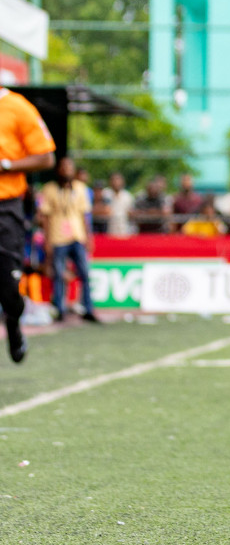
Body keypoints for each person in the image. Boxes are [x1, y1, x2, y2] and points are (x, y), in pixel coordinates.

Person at [0, 87, 56, 360]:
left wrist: (6, 165)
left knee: (8, 287)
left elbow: (46, 157)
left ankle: (13, 318)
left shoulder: (16, 107)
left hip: (5, 208)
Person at [36, 156, 97, 323]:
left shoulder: (81, 188)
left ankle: (88, 308)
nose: (66, 170)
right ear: (58, 170)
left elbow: (86, 216)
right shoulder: (49, 189)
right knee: (58, 273)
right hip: (57, 237)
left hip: (77, 235)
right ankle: (60, 309)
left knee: (84, 273)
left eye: (69, 167)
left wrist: (89, 237)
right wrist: (47, 240)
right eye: (63, 167)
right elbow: (45, 218)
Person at [105, 172, 136, 237]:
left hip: (124, 229)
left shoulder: (127, 196)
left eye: (118, 180)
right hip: (109, 229)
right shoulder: (105, 194)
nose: (116, 182)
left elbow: (131, 212)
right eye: (114, 180)